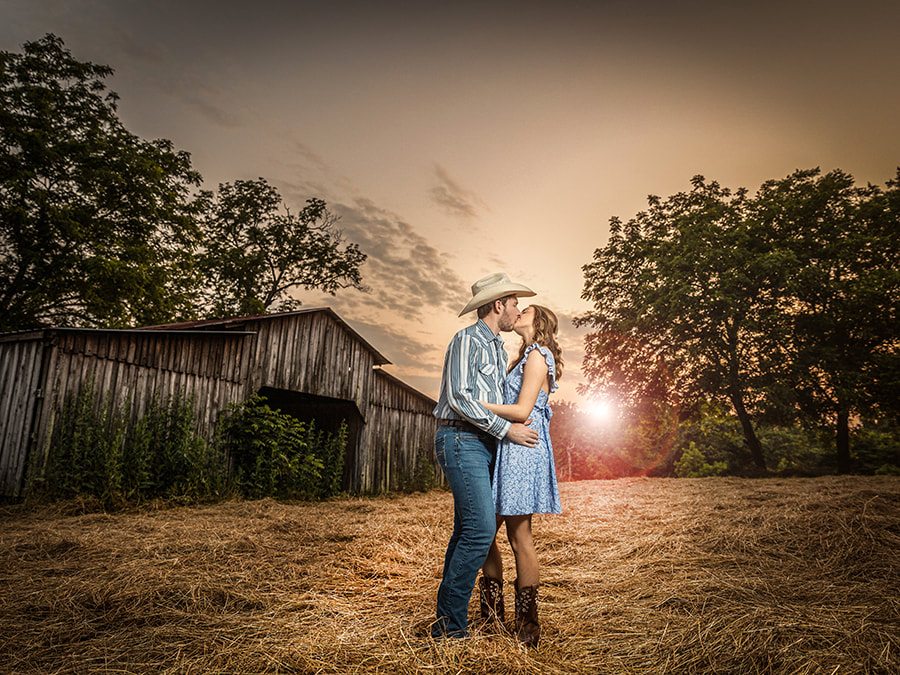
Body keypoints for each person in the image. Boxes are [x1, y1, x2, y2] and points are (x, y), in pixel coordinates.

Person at [431, 272, 540, 640]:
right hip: (461, 439)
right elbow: (460, 398)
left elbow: (503, 403)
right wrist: (507, 430)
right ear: (498, 305)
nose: (516, 310)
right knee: (479, 532)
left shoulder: (497, 347)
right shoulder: (467, 340)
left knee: (466, 530)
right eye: (513, 304)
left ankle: (448, 622)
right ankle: (450, 630)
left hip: (482, 442)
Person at [478, 304, 563, 648]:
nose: (518, 314)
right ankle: (494, 617)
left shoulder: (539, 355)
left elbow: (523, 410)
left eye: (524, 310)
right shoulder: (525, 356)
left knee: (518, 536)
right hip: (512, 447)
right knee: (486, 532)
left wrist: (475, 404)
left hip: (523, 449)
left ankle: (527, 626)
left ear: (538, 320)